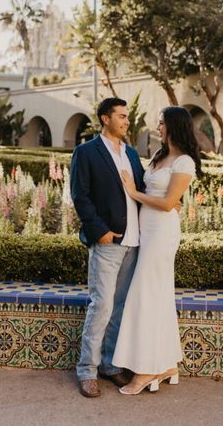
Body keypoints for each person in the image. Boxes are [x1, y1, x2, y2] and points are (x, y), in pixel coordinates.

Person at [112, 105, 201, 395]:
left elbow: (166, 203)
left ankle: (147, 370)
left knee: (146, 295)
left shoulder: (185, 162)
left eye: (161, 123)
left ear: (174, 126)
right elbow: (161, 197)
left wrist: (133, 192)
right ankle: (166, 365)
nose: (158, 127)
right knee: (156, 296)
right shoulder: (161, 156)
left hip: (162, 234)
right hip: (146, 230)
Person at [70, 97, 145, 398]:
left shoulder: (132, 153)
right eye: (122, 116)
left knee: (120, 307)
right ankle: (87, 369)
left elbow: (140, 190)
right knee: (100, 305)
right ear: (105, 119)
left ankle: (110, 366)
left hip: (134, 241)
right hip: (108, 241)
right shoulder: (86, 152)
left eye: (127, 117)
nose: (127, 121)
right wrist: (99, 231)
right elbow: (80, 195)